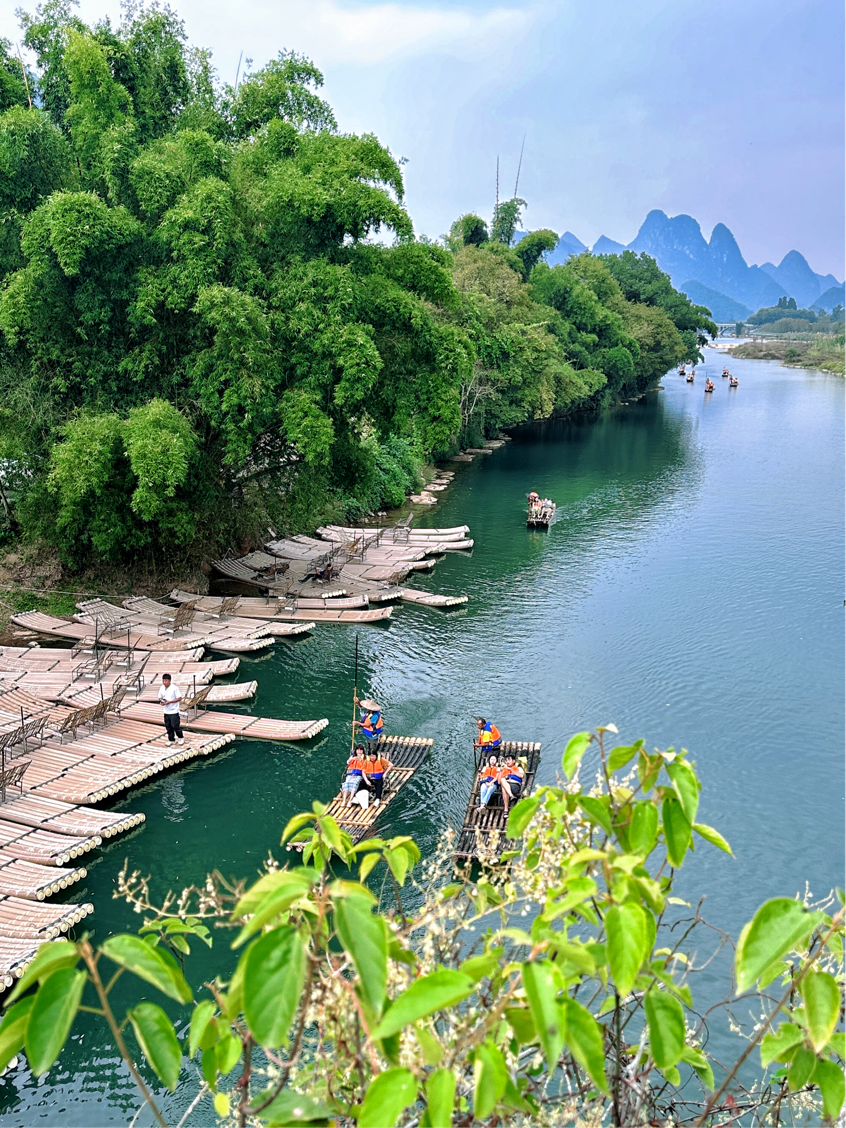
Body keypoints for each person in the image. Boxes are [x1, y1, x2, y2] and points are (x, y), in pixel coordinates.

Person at [157, 674, 184, 745]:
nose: (164, 682)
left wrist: (170, 701)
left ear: (169, 681)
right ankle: (171, 739)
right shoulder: (162, 688)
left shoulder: (174, 688)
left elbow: (179, 698)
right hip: (166, 710)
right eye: (163, 680)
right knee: (168, 726)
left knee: (175, 725)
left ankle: (180, 737)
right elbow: (160, 697)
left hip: (174, 710)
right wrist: (162, 702)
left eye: (166, 680)